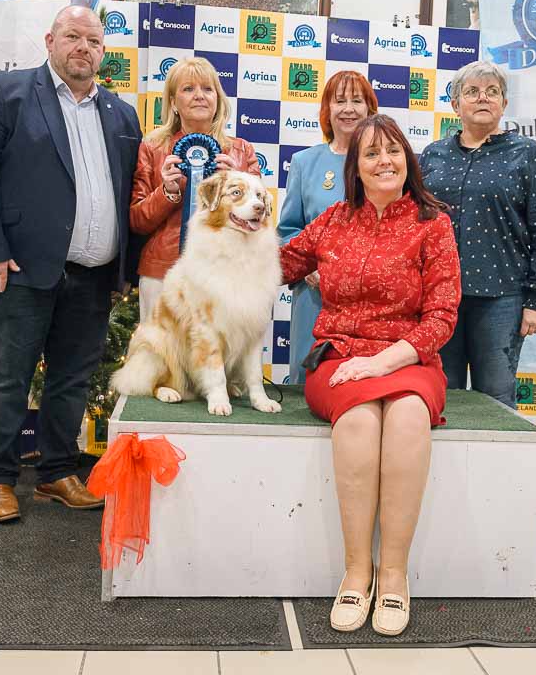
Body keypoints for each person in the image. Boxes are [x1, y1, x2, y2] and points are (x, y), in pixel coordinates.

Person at [0, 6, 143, 523]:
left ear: (103, 52)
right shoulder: (5, 92)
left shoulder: (121, 114)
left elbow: (126, 192)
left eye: (94, 41)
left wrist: (123, 270)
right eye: (73, 36)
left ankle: (57, 472)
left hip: (94, 275)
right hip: (18, 269)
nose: (84, 48)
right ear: (50, 40)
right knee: (8, 377)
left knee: (71, 380)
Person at [280, 114, 461, 636]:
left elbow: (442, 316)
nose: (385, 161)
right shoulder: (333, 220)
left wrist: (383, 362)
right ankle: (357, 573)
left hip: (409, 360)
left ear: (408, 160)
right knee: (359, 418)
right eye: (372, 153)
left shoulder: (434, 224)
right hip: (338, 358)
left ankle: (395, 576)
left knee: (407, 416)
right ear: (355, 167)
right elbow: (276, 265)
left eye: (394, 151)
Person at [420, 61, 536, 408]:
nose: (482, 98)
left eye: (492, 91)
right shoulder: (433, 156)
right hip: (439, 296)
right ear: (456, 105)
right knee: (440, 393)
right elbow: (417, 224)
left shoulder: (528, 155)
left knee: (496, 398)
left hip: (502, 298)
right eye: (472, 92)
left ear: (504, 103)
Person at [130, 57, 261, 321]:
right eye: (188, 89)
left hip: (227, 275)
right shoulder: (152, 147)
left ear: (218, 99)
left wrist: (236, 186)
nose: (199, 96)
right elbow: (137, 221)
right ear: (173, 102)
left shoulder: (241, 150)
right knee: (161, 347)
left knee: (218, 349)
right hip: (163, 273)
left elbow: (258, 220)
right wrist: (168, 192)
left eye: (207, 89)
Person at [277, 71, 377, 383]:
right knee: (307, 380)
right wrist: (311, 268)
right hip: (315, 295)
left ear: (370, 109)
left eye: (357, 101)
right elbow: (289, 229)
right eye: (340, 101)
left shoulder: (384, 163)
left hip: (370, 299)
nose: (348, 109)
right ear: (327, 109)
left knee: (361, 382)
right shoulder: (304, 162)